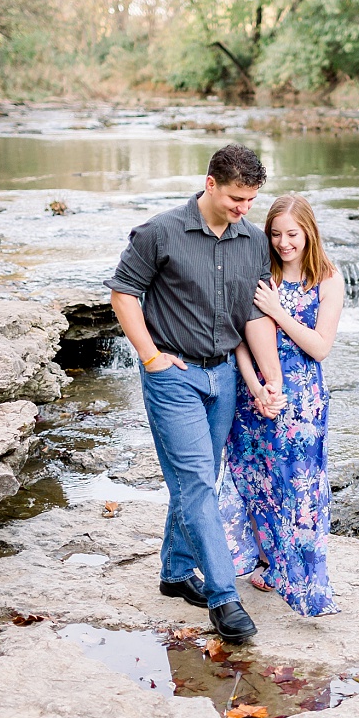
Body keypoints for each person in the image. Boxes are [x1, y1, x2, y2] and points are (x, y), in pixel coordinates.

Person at [106, 144, 286, 644]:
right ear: (210, 184)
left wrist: (270, 380)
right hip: (173, 377)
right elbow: (124, 292)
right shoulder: (160, 232)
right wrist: (150, 357)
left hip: (224, 375)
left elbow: (253, 316)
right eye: (235, 198)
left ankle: (175, 571)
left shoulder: (252, 242)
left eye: (250, 200)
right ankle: (224, 598)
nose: (243, 209)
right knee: (197, 483)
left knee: (201, 478)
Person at [218, 193, 344, 617]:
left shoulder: (327, 279)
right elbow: (237, 340)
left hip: (302, 399)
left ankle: (303, 576)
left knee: (296, 482)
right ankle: (267, 563)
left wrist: (278, 311)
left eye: (292, 234)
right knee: (252, 476)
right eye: (275, 234)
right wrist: (254, 386)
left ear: (309, 232)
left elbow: (320, 347)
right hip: (254, 394)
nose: (284, 243)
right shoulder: (261, 273)